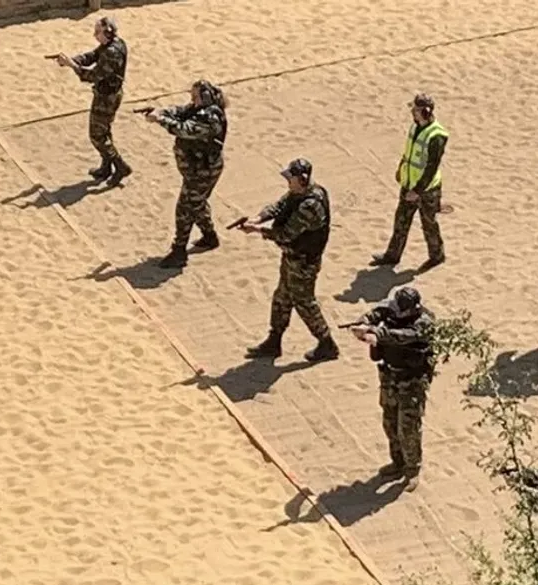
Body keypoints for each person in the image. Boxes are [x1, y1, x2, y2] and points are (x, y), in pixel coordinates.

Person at [239, 159, 340, 362]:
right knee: (281, 298)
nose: (288, 182)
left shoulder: (311, 205)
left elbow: (286, 234)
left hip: (304, 262)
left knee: (304, 303)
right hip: (292, 257)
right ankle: (274, 341)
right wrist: (258, 218)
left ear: (301, 180)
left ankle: (327, 343)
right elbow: (279, 206)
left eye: (290, 178)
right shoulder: (298, 193)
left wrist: (258, 230)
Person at [350, 287, 435, 491]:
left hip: (411, 381)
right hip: (389, 376)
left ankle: (412, 469)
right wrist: (364, 321)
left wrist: (377, 334)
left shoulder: (425, 322)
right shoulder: (394, 309)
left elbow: (404, 335)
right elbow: (378, 312)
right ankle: (398, 463)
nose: (395, 311)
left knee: (408, 427)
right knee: (389, 422)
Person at [145, 80, 229, 268]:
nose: (191, 99)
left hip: (203, 171)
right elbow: (179, 111)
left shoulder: (210, 118)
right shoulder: (197, 109)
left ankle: (179, 251)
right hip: (195, 169)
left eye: (195, 96)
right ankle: (209, 237)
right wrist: (160, 112)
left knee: (185, 209)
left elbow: (184, 129)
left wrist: (159, 119)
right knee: (196, 203)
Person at [370, 93, 449, 271]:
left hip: (427, 189)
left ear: (425, 112)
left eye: (415, 109)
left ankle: (436, 255)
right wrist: (401, 169)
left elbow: (431, 167)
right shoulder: (415, 128)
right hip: (409, 184)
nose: (412, 112)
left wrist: (418, 191)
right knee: (401, 221)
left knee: (428, 223)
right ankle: (392, 255)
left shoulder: (436, 136)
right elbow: (409, 153)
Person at [51, 17, 132, 187]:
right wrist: (74, 59)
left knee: (97, 136)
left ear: (107, 33)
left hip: (107, 98)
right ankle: (106, 167)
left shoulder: (112, 52)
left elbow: (91, 75)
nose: (94, 35)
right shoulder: (112, 45)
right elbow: (93, 55)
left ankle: (120, 166)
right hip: (107, 95)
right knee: (104, 132)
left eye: (97, 32)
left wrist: (72, 65)